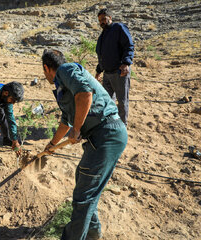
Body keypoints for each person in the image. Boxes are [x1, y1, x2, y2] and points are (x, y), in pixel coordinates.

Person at [42, 49, 128, 240]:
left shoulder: (66, 69)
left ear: (46, 68)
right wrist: (51, 145)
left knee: (83, 196)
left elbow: (85, 94)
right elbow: (66, 121)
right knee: (83, 180)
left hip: (106, 134)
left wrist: (77, 129)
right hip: (100, 138)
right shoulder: (63, 86)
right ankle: (92, 233)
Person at [95, 8, 134, 125]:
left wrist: (126, 63)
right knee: (106, 101)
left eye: (103, 19)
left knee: (122, 101)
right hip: (107, 74)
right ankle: (110, 124)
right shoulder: (102, 36)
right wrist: (98, 71)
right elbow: (102, 55)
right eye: (100, 20)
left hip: (119, 72)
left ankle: (122, 126)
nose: (101, 22)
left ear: (110, 18)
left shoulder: (119, 28)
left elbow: (129, 46)